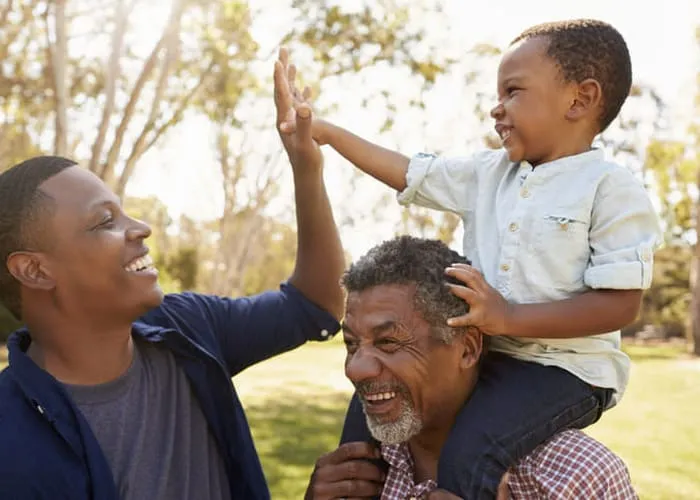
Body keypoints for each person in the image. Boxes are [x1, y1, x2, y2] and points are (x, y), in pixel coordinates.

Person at [277, 19, 661, 497]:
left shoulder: (611, 189)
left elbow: (620, 305)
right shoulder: (488, 173)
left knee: (473, 448)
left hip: (565, 372)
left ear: (579, 100)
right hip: (492, 357)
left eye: (513, 91)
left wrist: (509, 316)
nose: (496, 108)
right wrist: (328, 134)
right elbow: (409, 173)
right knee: (363, 419)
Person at [0, 49, 342, 500]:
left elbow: (314, 304)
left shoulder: (189, 328)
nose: (140, 229)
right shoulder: (9, 440)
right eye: (105, 221)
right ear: (36, 270)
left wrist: (306, 167)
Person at [305, 236, 638, 500]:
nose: (356, 370)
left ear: (467, 348)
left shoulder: (576, 478)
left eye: (388, 343)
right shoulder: (353, 471)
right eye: (351, 344)